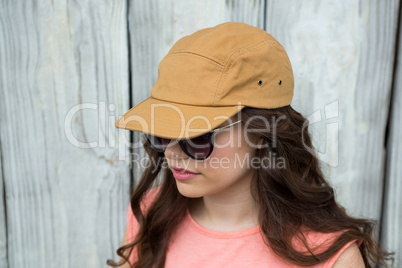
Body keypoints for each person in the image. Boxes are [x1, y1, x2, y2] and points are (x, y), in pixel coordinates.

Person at [108, 22, 393, 268]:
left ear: (261, 131)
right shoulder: (151, 213)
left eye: (196, 135)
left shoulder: (328, 254)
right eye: (162, 132)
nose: (171, 152)